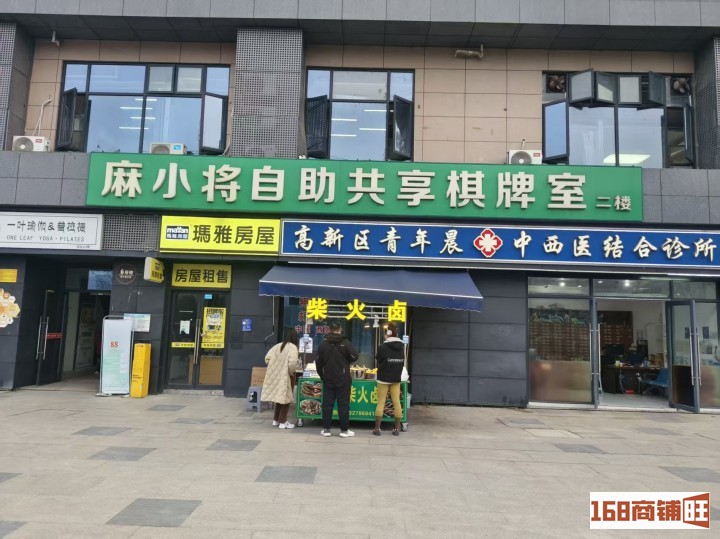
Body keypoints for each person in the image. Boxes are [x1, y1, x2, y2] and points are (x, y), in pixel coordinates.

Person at [316, 321, 358, 438]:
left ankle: (326, 430)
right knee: (343, 405)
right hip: (343, 379)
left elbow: (318, 363)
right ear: (340, 330)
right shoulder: (346, 343)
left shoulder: (323, 344)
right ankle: (344, 431)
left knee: (327, 404)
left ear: (329, 330)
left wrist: (322, 376)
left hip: (328, 379)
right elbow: (355, 357)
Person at [262, 329, 299, 429]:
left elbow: (267, 358)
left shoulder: (277, 346)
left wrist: (274, 366)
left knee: (279, 397)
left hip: (276, 376)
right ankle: (283, 422)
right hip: (286, 376)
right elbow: (292, 363)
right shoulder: (293, 347)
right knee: (286, 398)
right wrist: (290, 372)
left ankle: (276, 420)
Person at [373, 322, 405, 436]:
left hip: (383, 378)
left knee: (381, 402)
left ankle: (377, 429)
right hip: (396, 378)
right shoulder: (402, 347)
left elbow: (378, 359)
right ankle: (397, 429)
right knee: (396, 402)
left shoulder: (382, 347)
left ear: (387, 334)